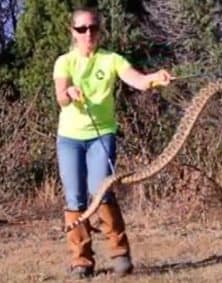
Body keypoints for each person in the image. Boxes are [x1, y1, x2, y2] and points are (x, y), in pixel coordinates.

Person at [53, 6, 171, 279]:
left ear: (100, 30)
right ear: (73, 32)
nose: (88, 33)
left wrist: (156, 78)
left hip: (101, 134)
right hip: (70, 138)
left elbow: (139, 81)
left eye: (93, 28)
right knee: (75, 197)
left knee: (102, 189)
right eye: (81, 29)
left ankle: (120, 255)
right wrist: (69, 91)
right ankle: (81, 260)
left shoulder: (111, 60)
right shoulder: (64, 62)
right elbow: (60, 95)